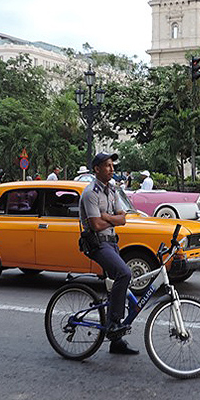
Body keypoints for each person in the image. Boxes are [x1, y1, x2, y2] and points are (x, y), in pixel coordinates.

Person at [79, 152, 137, 355]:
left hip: (112, 242)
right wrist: (112, 219)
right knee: (124, 273)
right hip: (97, 244)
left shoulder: (112, 190)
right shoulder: (90, 193)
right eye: (107, 165)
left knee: (117, 286)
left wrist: (107, 217)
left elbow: (123, 219)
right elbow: (95, 225)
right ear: (97, 169)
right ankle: (114, 324)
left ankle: (116, 342)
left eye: (112, 165)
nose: (112, 169)